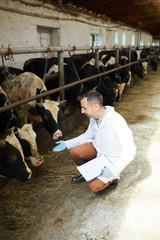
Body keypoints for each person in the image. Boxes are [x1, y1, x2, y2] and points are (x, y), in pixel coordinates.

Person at [53, 90, 136, 192]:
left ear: (95, 106)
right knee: (74, 152)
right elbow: (88, 136)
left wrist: (114, 170)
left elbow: (131, 151)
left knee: (94, 186)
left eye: (84, 108)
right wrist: (67, 143)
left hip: (112, 158)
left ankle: (113, 179)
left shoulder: (116, 121)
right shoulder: (94, 118)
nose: (82, 111)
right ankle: (87, 173)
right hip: (99, 150)